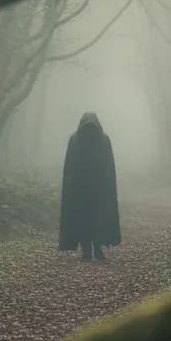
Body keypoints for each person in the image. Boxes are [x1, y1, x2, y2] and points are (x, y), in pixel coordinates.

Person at [58, 112, 121, 261]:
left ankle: (87, 251)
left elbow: (70, 167)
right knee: (97, 218)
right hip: (99, 190)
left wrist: (71, 188)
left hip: (80, 190)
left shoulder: (74, 139)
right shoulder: (104, 139)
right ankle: (98, 250)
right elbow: (108, 166)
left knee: (83, 219)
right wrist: (108, 187)